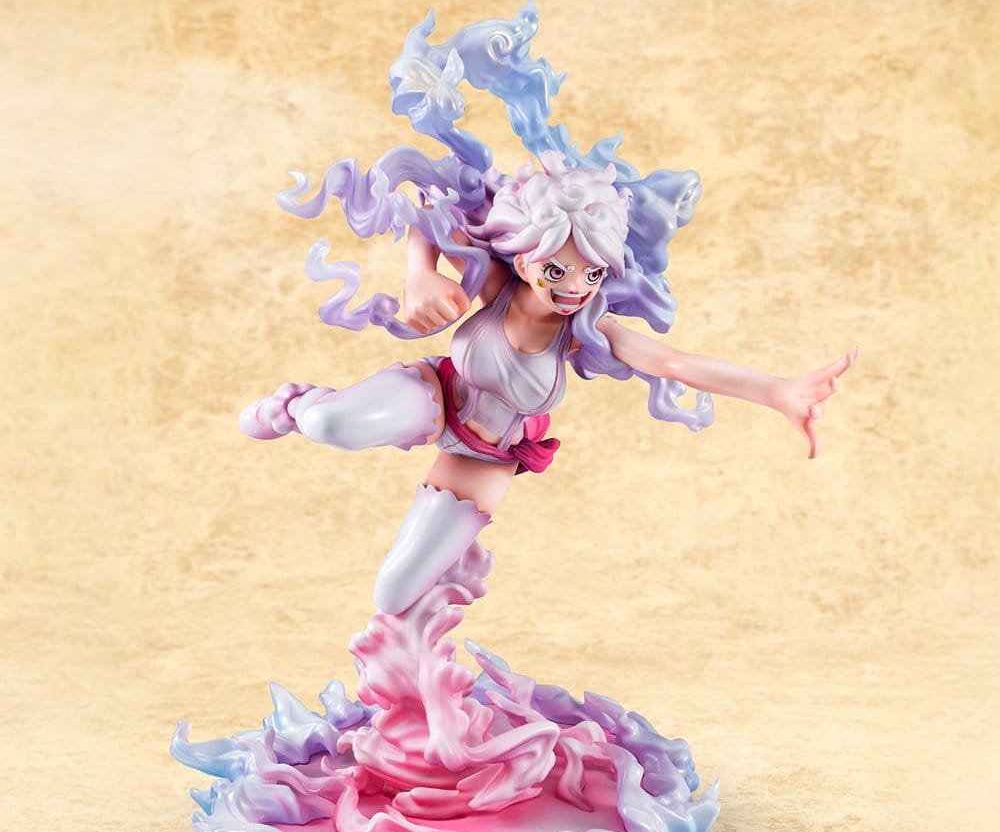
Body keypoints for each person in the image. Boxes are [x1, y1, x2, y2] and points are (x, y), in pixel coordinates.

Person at [240, 150, 855, 615]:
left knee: (394, 593)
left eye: (591, 273)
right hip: (436, 395)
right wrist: (418, 275)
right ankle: (293, 406)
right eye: (557, 270)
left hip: (487, 455)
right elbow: (428, 203)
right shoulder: (495, 286)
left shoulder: (588, 330)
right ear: (525, 257)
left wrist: (778, 392)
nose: (574, 287)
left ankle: (416, 677)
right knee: (329, 423)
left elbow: (676, 364)